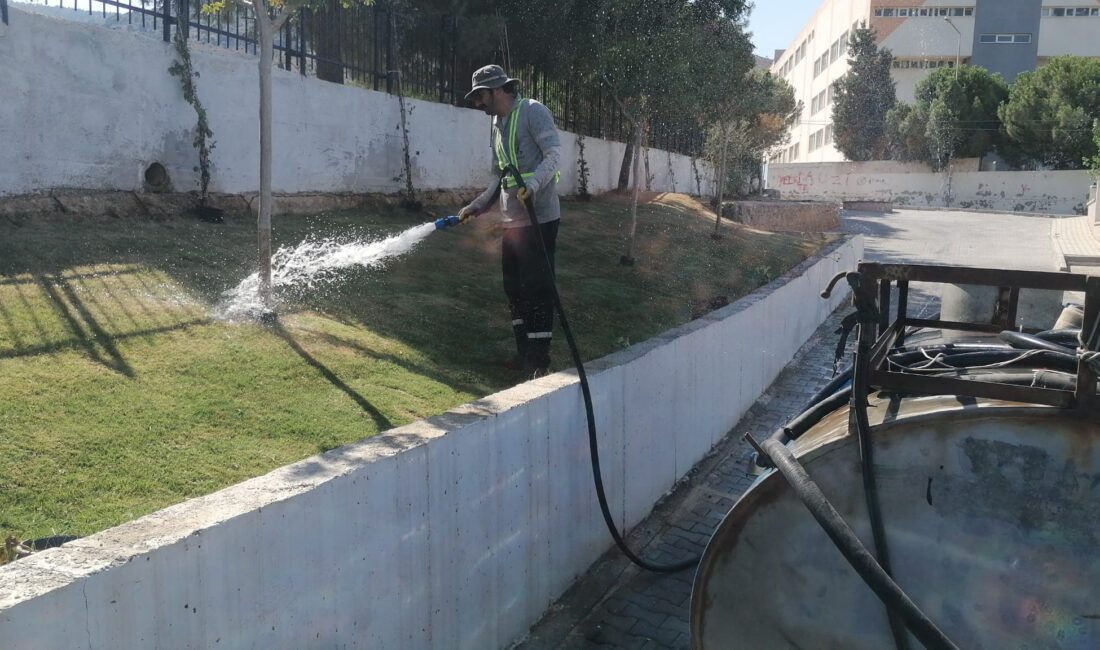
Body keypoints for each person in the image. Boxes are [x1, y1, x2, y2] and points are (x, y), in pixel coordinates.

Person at [458, 65, 563, 378]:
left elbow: (554, 155)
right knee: (514, 288)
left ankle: (539, 363)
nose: (478, 104)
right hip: (512, 221)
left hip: (540, 217)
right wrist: (476, 206)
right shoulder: (496, 124)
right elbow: (500, 176)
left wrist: (532, 186)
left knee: (538, 288)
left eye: (481, 96)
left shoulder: (533, 112)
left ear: (498, 90)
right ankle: (524, 355)